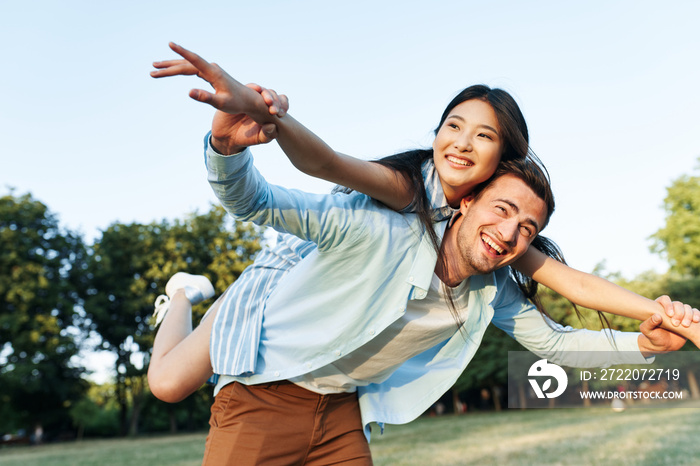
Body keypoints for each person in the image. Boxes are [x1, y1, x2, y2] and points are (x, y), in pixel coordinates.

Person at [148, 44, 698, 464]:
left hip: (339, 407)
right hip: (268, 345)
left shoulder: (495, 269)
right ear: (469, 196)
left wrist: (650, 341)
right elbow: (304, 177)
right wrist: (251, 131)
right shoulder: (388, 207)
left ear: (503, 160)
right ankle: (183, 293)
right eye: (453, 127)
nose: (461, 143)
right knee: (167, 384)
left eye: (483, 137)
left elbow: (564, 310)